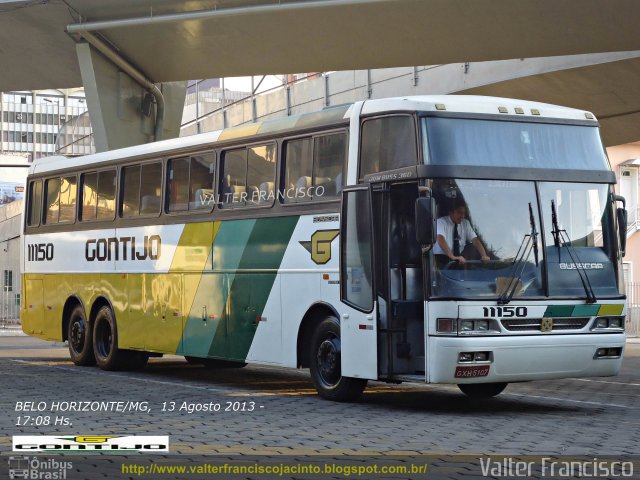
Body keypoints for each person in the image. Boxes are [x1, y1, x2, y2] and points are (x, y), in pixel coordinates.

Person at [433, 201, 490, 266]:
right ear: (451, 213)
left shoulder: (465, 223)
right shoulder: (441, 222)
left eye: (464, 213)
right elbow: (440, 238)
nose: (462, 216)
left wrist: (484, 255)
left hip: (458, 260)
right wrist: (453, 257)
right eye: (459, 213)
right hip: (440, 260)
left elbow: (475, 240)